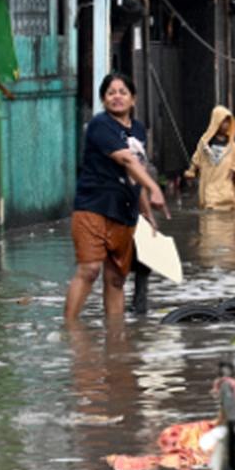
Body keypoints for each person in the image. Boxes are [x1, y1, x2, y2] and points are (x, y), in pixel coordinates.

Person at [67, 71, 168, 323]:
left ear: (133, 99)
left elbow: (136, 172)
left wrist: (146, 212)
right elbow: (125, 159)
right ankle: (69, 329)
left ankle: (116, 338)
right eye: (111, 93)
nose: (117, 97)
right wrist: (155, 188)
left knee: (116, 278)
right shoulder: (101, 125)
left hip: (124, 213)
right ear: (103, 100)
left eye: (123, 92)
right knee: (90, 270)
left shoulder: (138, 129)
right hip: (93, 208)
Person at [187, 104, 235, 210]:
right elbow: (197, 159)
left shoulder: (232, 146)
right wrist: (191, 171)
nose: (226, 125)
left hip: (226, 190)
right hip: (210, 187)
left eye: (228, 121)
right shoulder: (205, 143)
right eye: (223, 121)